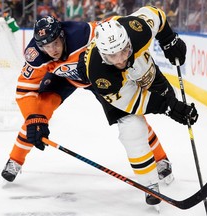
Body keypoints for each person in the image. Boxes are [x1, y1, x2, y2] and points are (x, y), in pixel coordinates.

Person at [1, 15, 174, 191]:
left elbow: (112, 26)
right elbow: (24, 89)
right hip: (63, 79)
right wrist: (32, 118)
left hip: (97, 77)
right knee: (37, 115)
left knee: (130, 116)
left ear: (62, 35)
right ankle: (15, 160)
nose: (52, 50)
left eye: (55, 43)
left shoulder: (82, 34)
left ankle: (161, 159)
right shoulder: (36, 55)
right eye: (46, 46)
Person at [80, 6, 198, 205]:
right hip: (117, 88)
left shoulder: (136, 29)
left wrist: (169, 39)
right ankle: (149, 183)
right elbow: (134, 101)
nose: (120, 59)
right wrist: (169, 107)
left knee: (168, 94)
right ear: (103, 55)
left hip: (140, 64)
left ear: (128, 41)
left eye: (123, 50)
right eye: (112, 56)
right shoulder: (99, 73)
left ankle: (158, 158)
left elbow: (156, 15)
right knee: (133, 129)